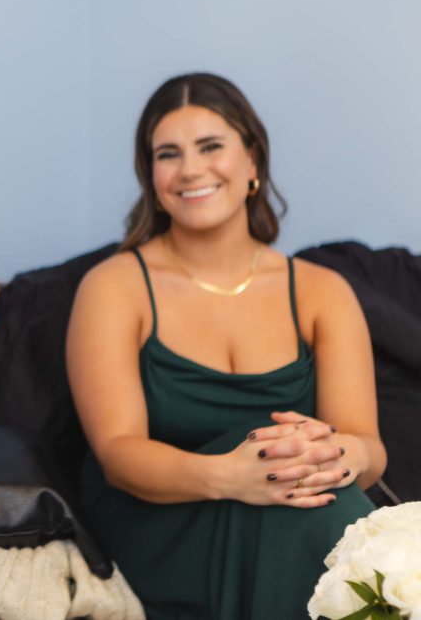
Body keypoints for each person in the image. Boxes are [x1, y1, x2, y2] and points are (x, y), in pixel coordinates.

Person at [66, 73, 386, 619]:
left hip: (293, 503)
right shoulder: (114, 287)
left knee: (311, 498)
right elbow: (118, 454)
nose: (191, 169)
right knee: (300, 503)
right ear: (153, 178)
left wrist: (339, 456)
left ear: (252, 161)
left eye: (210, 147)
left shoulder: (321, 291)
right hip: (162, 521)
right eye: (169, 154)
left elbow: (370, 448)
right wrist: (233, 476)